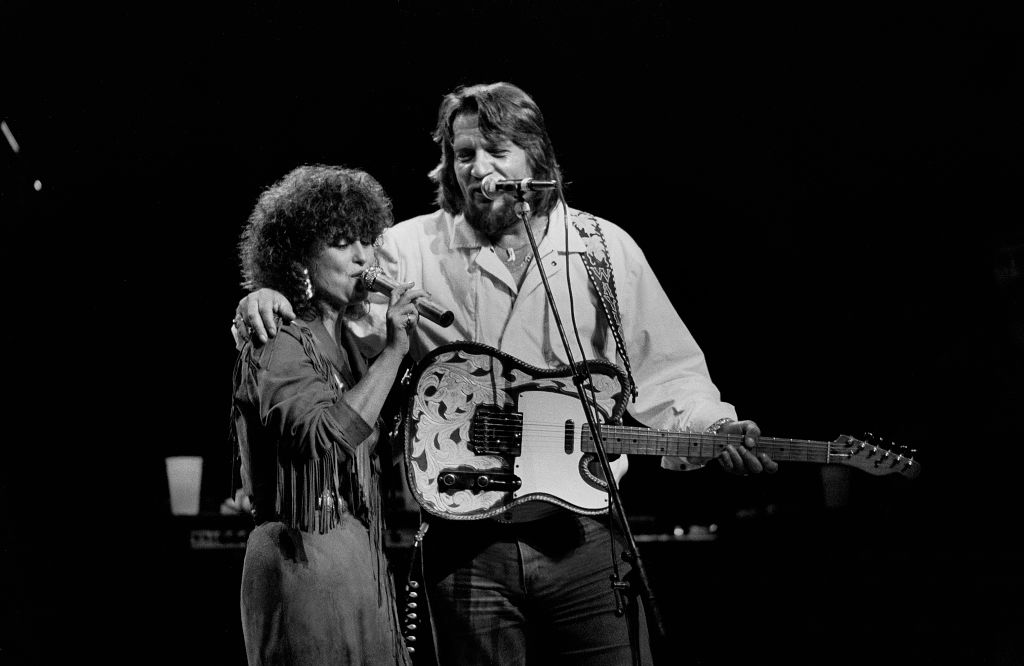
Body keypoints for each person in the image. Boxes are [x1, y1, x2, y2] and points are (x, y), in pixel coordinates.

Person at [234, 83, 778, 665]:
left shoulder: (599, 248)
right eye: (463, 154)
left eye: (496, 151)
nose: (478, 169)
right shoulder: (409, 247)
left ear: (534, 160)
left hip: (584, 539)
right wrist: (270, 290)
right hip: (465, 545)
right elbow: (332, 338)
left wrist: (712, 426)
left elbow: (667, 374)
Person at [231, 164, 423, 665]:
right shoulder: (280, 338)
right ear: (298, 257)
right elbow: (320, 435)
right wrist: (395, 351)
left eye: (367, 240)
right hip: (301, 561)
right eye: (342, 242)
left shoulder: (351, 347)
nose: (363, 257)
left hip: (360, 560)